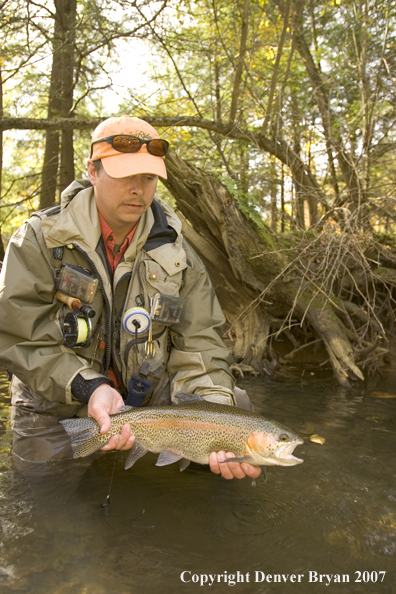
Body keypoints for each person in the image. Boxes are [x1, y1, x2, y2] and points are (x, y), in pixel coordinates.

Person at [0, 116, 260, 481]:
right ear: (93, 171)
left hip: (149, 396)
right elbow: (18, 336)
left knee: (237, 414)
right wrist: (87, 386)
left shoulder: (179, 252)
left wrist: (215, 420)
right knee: (45, 508)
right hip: (59, 399)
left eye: (149, 177)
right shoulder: (39, 240)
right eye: (126, 176)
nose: (139, 189)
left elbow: (201, 341)